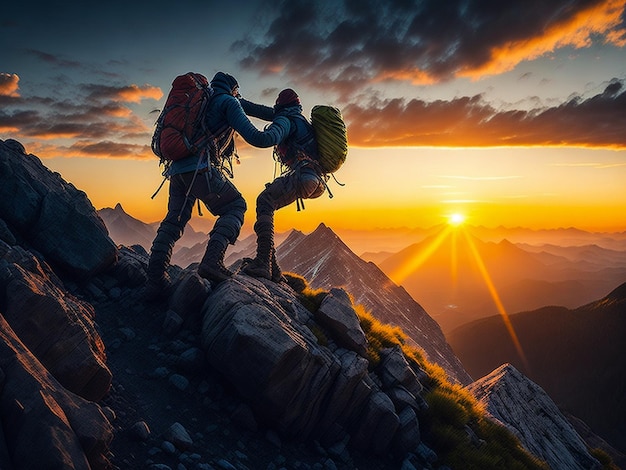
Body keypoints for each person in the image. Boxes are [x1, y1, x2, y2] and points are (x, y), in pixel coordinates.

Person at [144, 72, 290, 301]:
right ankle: (212, 262)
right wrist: (283, 123)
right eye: (237, 93)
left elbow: (252, 108)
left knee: (174, 219)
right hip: (200, 168)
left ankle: (154, 280)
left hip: (177, 170)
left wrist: (279, 113)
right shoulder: (228, 102)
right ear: (234, 89)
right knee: (235, 206)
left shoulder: (208, 99)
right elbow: (259, 139)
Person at [239, 89, 327, 282]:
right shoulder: (299, 119)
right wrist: (238, 101)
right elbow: (261, 111)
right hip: (317, 181)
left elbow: (267, 138)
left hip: (303, 176)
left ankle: (263, 262)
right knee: (268, 203)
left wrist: (240, 123)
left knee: (265, 201)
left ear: (280, 106)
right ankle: (274, 269)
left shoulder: (286, 121)